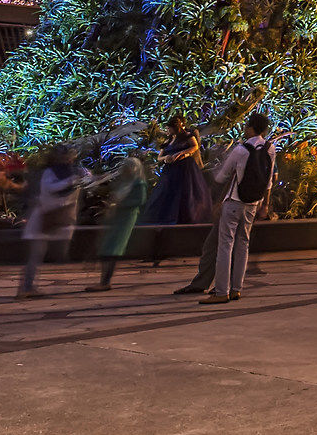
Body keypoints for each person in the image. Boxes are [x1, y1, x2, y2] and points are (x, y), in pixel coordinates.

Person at [200, 112, 274, 304]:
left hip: (234, 201)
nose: (244, 128)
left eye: (246, 125)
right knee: (243, 244)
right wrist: (265, 204)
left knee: (226, 245)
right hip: (253, 203)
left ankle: (222, 291)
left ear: (251, 128)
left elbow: (221, 177)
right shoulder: (270, 148)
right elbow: (269, 182)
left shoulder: (241, 150)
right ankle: (236, 289)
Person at [17, 144, 88, 299]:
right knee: (36, 254)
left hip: (57, 218)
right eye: (66, 156)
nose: (69, 159)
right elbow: (51, 188)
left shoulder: (70, 171)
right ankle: (26, 288)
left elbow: (72, 189)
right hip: (44, 217)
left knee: (47, 253)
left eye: (70, 156)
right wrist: (73, 180)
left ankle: (27, 287)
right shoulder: (50, 172)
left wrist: (84, 177)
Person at [142, 115, 210, 265]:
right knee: (165, 205)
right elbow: (160, 156)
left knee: (185, 201)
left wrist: (183, 154)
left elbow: (195, 146)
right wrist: (166, 159)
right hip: (170, 175)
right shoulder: (168, 141)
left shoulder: (187, 136)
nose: (168, 130)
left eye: (170, 127)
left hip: (185, 172)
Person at [86, 140, 151, 291]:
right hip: (116, 218)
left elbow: (139, 200)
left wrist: (118, 205)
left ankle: (105, 281)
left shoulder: (138, 184)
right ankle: (104, 280)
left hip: (125, 219)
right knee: (108, 249)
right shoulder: (125, 183)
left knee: (112, 249)